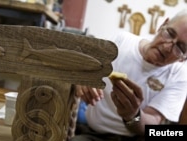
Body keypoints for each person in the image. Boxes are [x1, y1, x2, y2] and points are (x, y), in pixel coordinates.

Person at [71, 9, 187, 141]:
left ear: (184, 58)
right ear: (162, 25)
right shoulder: (121, 42)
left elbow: (153, 125)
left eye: (180, 48)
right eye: (170, 33)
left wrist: (133, 115)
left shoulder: (179, 76)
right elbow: (85, 70)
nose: (167, 47)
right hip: (91, 132)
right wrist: (82, 78)